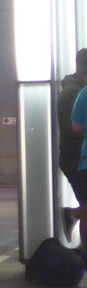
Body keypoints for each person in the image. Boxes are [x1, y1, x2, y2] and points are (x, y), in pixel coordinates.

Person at [59, 48, 87, 230]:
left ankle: (72, 214)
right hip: (77, 161)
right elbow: (75, 129)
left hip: (75, 160)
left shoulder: (72, 89)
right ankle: (72, 214)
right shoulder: (76, 92)